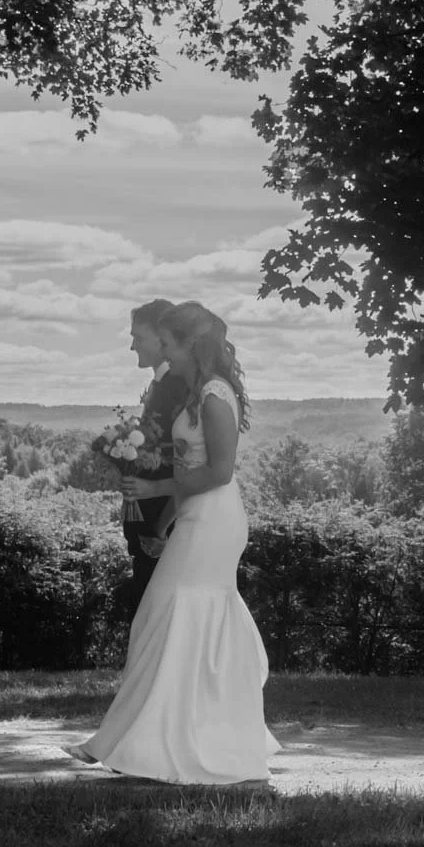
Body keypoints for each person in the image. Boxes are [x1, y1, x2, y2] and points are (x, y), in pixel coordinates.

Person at [64, 301, 281, 785]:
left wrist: (155, 491)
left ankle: (165, 740)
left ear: (187, 344)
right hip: (194, 517)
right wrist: (165, 520)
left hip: (216, 520)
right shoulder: (193, 393)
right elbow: (190, 468)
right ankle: (147, 737)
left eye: (166, 342)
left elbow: (220, 473)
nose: (160, 349)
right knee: (163, 621)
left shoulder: (214, 395)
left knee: (172, 616)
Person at [119, 299, 188, 623]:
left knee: (157, 620)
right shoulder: (160, 385)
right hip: (148, 530)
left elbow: (186, 465)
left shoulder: (177, 388)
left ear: (162, 338)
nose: (132, 345)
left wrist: (161, 529)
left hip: (163, 531)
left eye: (139, 337)